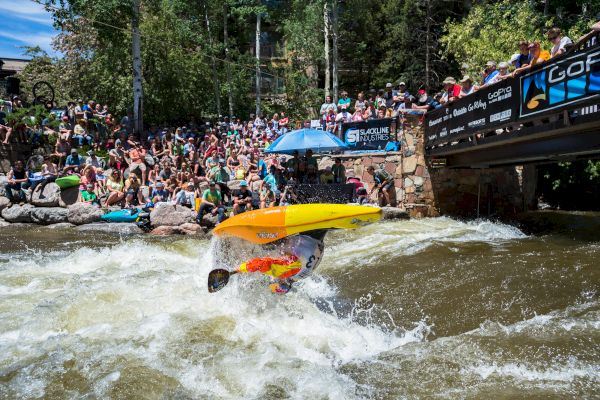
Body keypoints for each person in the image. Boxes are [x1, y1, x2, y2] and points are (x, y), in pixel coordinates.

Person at [234, 230, 327, 294]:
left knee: (277, 250)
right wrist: (241, 268)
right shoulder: (284, 272)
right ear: (280, 281)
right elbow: (261, 264)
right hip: (309, 235)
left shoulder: (299, 276)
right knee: (266, 246)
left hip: (316, 238)